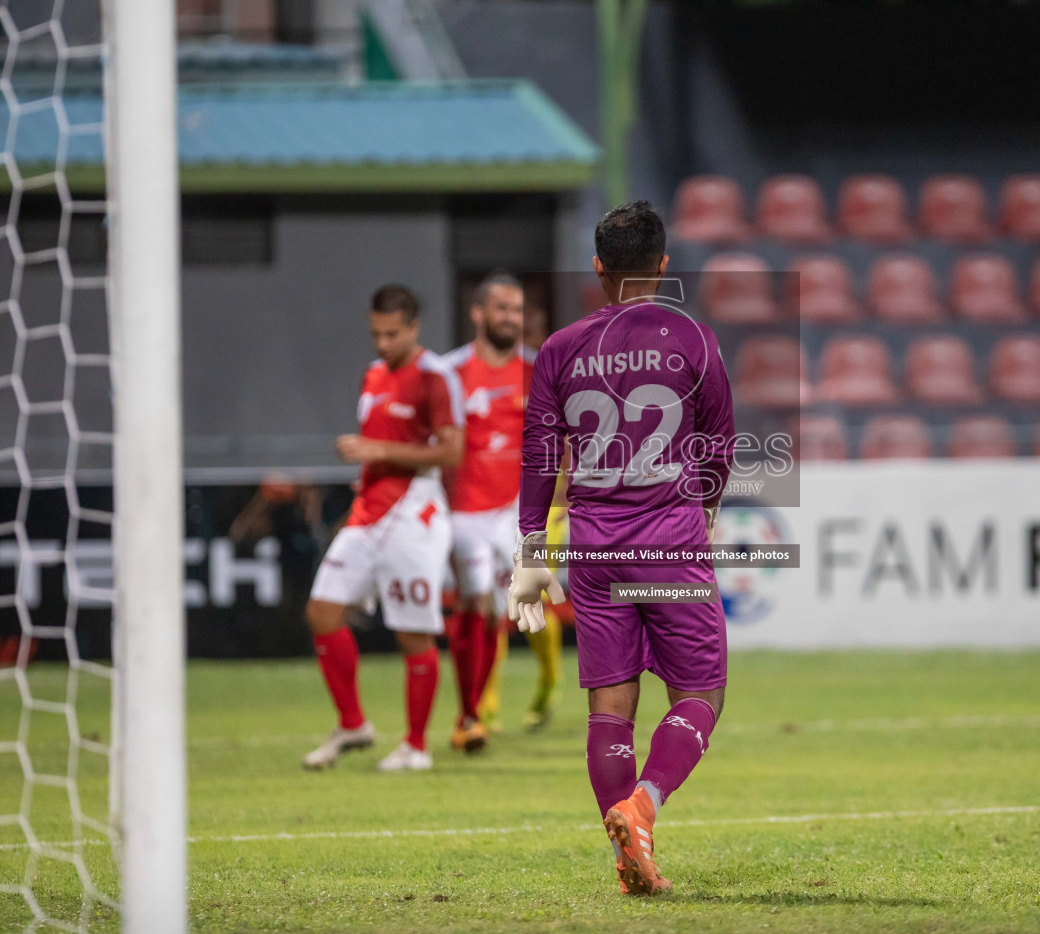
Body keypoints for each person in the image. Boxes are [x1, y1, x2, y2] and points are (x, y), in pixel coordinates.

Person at [509, 201, 734, 896]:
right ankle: (642, 806)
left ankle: (626, 856)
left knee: (611, 706)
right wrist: (709, 508)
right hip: (668, 541)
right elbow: (719, 447)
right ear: (664, 266)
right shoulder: (692, 340)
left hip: (594, 547)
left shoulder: (560, 348)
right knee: (700, 692)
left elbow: (541, 455)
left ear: (598, 268)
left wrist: (529, 550)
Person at [301, 285, 463, 773]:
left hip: (414, 515)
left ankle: (416, 745)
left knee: (413, 633)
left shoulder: (435, 377)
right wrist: (367, 469)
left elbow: (452, 451)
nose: (382, 344)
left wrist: (377, 453)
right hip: (368, 512)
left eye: (392, 334)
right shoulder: (372, 376)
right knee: (322, 612)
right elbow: (384, 441)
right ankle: (353, 723)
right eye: (376, 334)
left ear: (413, 328)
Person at [440, 275, 535, 752]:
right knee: (475, 601)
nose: (510, 318)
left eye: (517, 310)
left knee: (503, 611)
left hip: (513, 511)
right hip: (464, 511)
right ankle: (469, 715)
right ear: (477, 313)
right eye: (500, 308)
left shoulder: (536, 370)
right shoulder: (448, 372)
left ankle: (477, 709)